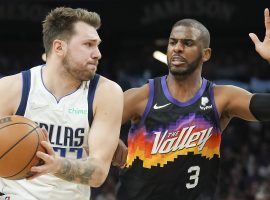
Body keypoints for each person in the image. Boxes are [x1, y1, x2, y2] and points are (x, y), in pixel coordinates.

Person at [116, 8, 270, 200]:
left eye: (187, 43)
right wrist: (109, 140)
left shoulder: (222, 97)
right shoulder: (142, 96)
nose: (177, 48)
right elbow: (88, 122)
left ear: (206, 54)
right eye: (173, 42)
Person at [0, 7, 123, 200]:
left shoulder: (106, 92)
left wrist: (56, 165)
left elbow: (98, 173)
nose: (98, 53)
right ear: (59, 47)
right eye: (88, 45)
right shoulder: (10, 88)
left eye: (97, 45)